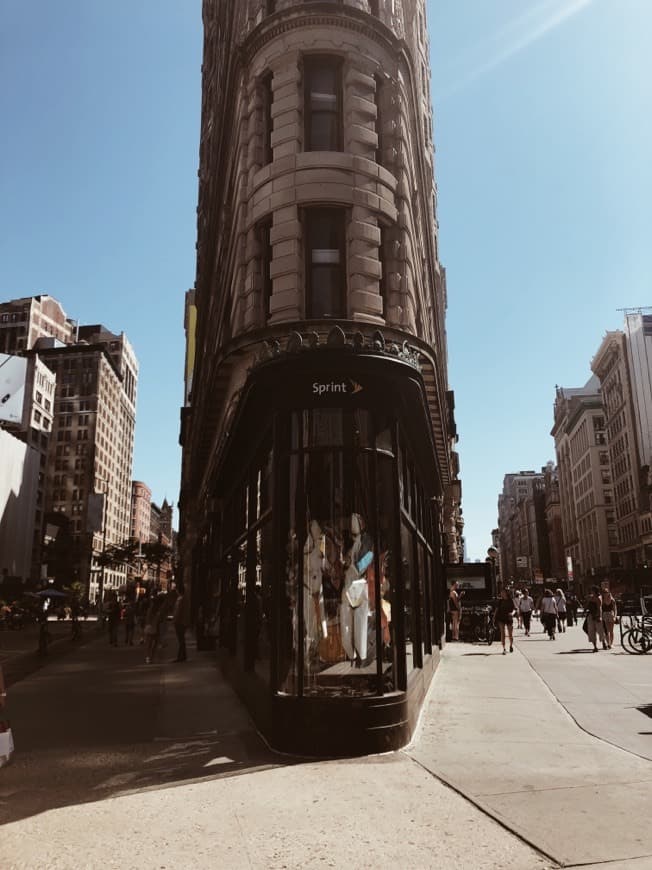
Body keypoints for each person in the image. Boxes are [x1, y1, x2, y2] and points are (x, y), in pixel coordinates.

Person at [144, 594, 166, 664]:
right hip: (155, 627)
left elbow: (148, 618)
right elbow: (160, 619)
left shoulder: (152, 608)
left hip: (150, 626)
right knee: (154, 644)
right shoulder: (159, 609)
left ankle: (148, 657)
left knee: (149, 644)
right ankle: (151, 657)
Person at [172, 584, 191, 662]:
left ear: (178, 590)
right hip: (183, 621)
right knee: (181, 639)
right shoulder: (184, 599)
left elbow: (178, 612)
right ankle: (183, 655)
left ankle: (181, 657)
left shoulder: (180, 599)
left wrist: (174, 620)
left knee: (181, 640)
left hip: (180, 622)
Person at [585, 585, 606, 652]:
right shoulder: (590, 597)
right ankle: (595, 646)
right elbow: (586, 605)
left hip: (597, 615)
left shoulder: (598, 598)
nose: (591, 591)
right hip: (590, 615)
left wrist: (599, 616)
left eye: (592, 590)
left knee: (600, 631)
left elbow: (599, 608)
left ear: (595, 591)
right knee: (591, 631)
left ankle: (603, 643)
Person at [496, 588, 515, 654]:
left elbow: (514, 609)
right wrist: (493, 617)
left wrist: (512, 614)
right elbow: (497, 609)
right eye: (501, 592)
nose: (502, 594)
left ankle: (511, 645)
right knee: (502, 633)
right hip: (501, 618)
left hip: (509, 618)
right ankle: (504, 648)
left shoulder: (510, 601)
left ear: (506, 593)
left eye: (503, 592)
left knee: (510, 634)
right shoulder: (500, 601)